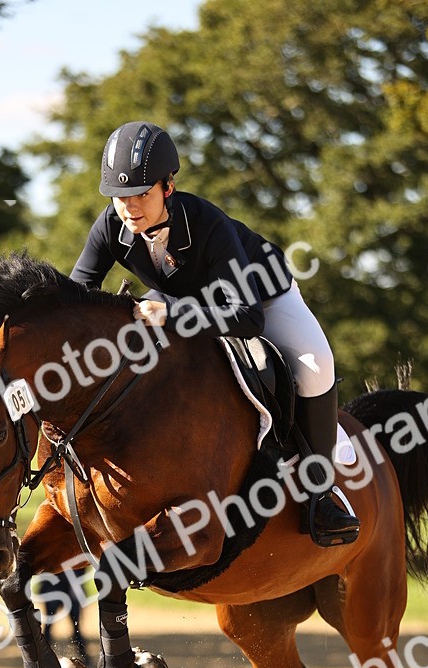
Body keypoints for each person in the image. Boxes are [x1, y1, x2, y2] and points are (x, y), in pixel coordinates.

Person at [70, 120, 359, 547]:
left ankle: (322, 492)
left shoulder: (209, 224)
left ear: (168, 187)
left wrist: (169, 312)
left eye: (140, 194)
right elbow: (79, 295)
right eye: (118, 197)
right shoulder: (111, 225)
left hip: (263, 298)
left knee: (316, 368)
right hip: (179, 298)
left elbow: (246, 318)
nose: (128, 207)